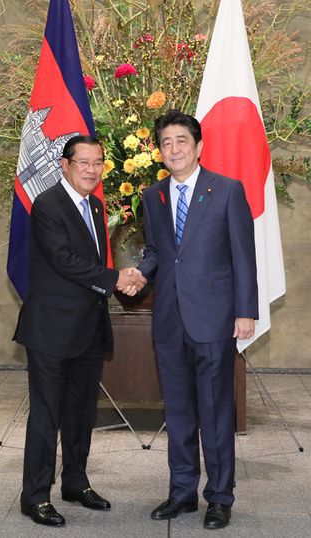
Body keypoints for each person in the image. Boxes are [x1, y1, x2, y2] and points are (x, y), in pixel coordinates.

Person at [13, 135, 146, 527]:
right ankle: (34, 496)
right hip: (52, 329)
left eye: (97, 163)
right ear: (65, 165)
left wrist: (118, 279)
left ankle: (75, 482)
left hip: (88, 328)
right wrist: (116, 278)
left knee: (80, 412)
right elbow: (63, 260)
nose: (91, 170)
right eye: (83, 162)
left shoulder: (96, 205)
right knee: (46, 414)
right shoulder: (47, 205)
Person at [138, 110, 258, 530]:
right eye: (166, 142)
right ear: (159, 150)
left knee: (215, 411)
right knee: (180, 410)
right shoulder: (152, 196)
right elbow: (156, 251)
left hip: (215, 318)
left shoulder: (225, 190)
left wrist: (246, 311)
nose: (174, 149)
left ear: (198, 146)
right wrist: (139, 272)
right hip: (169, 320)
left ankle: (220, 497)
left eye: (181, 142)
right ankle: (182, 492)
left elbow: (244, 254)